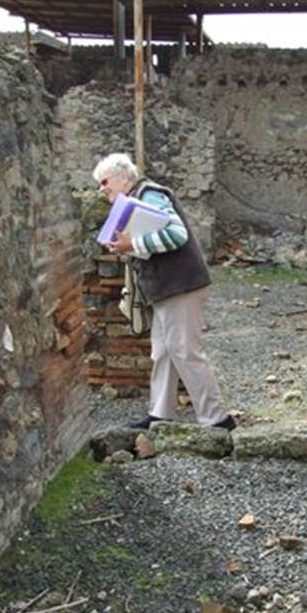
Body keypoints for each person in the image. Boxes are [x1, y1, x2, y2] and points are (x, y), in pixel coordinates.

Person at [93, 152, 236, 432]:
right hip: (168, 287)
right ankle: (160, 414)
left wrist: (131, 244)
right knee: (163, 352)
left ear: (123, 179)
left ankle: (218, 419)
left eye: (105, 181)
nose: (102, 189)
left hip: (179, 285)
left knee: (185, 351)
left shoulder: (150, 195)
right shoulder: (138, 198)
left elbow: (177, 235)